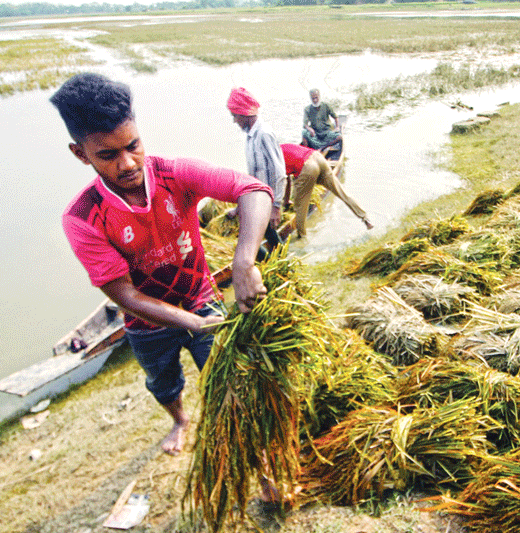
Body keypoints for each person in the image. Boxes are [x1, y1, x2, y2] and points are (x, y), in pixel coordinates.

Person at [52, 72, 272, 455]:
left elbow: (252, 189)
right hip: (145, 322)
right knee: (163, 382)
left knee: (229, 375)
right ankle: (180, 420)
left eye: (133, 146)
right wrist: (192, 323)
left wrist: (242, 263)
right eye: (108, 155)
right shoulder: (83, 217)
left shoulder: (173, 174)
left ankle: (249, 448)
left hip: (201, 296)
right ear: (79, 153)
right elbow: (123, 293)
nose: (127, 164)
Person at [227, 87, 286, 252]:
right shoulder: (250, 136)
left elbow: (279, 172)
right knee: (269, 236)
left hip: (268, 200)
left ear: (244, 113)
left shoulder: (264, 134)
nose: (235, 121)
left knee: (248, 243)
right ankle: (284, 266)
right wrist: (239, 208)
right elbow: (253, 176)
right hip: (259, 199)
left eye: (235, 116)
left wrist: (276, 206)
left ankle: (281, 266)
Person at [280, 142, 373, 238]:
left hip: (307, 167)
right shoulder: (283, 146)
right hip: (317, 157)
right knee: (341, 192)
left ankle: (302, 237)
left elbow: (285, 181)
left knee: (300, 207)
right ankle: (366, 219)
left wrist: (285, 201)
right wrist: (287, 200)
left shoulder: (274, 158)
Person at [301, 88, 342, 153]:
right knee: (304, 133)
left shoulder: (326, 105)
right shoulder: (307, 109)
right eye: (313, 98)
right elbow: (305, 125)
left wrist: (337, 127)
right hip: (316, 134)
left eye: (316, 98)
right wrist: (310, 129)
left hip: (327, 132)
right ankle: (306, 152)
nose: (315, 100)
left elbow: (335, 117)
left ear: (319, 96)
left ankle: (322, 148)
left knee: (339, 137)